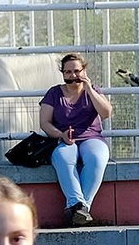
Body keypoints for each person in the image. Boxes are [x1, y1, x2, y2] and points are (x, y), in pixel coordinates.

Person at [38, 53, 113, 227]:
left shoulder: (93, 89)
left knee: (97, 158)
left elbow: (106, 113)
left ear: (83, 71)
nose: (73, 76)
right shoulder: (54, 93)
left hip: (92, 137)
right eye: (68, 72)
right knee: (64, 158)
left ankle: (78, 208)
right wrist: (61, 135)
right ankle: (80, 208)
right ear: (63, 73)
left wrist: (89, 89)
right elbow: (44, 123)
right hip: (64, 138)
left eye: (77, 71)